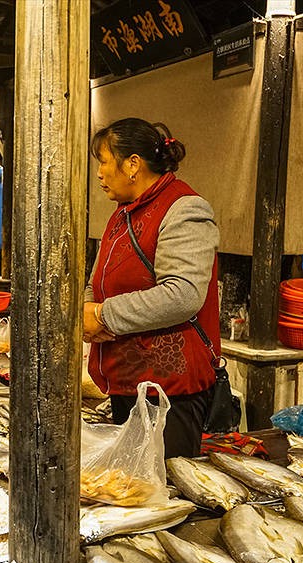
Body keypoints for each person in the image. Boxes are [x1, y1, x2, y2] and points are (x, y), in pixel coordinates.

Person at [82, 118, 221, 458]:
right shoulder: (121, 214)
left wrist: (103, 315)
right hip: (125, 378)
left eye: (103, 161)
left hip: (169, 389)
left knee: (164, 481)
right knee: (128, 481)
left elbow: (183, 294)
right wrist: (87, 311)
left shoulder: (185, 209)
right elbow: (97, 281)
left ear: (133, 164)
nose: (99, 173)